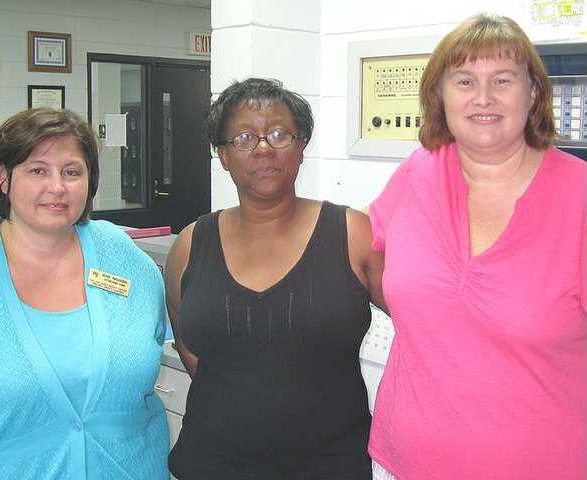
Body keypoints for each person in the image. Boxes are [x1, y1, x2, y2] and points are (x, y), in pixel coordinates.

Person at [367, 14, 585, 480]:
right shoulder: (416, 173)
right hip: (406, 462)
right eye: (464, 81)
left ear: (533, 94)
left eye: (502, 80)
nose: (483, 97)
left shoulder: (579, 197)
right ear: (440, 96)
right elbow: (374, 254)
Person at [165, 78, 384, 480]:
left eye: (279, 134)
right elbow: (191, 351)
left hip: (330, 468)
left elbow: (422, 323)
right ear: (223, 155)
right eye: (244, 137)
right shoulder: (191, 245)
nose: (264, 148)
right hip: (210, 465)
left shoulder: (353, 235)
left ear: (301, 147)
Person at [0, 108, 170, 479]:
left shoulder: (125, 259)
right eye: (37, 170)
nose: (57, 187)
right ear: (4, 178)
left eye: (72, 172)